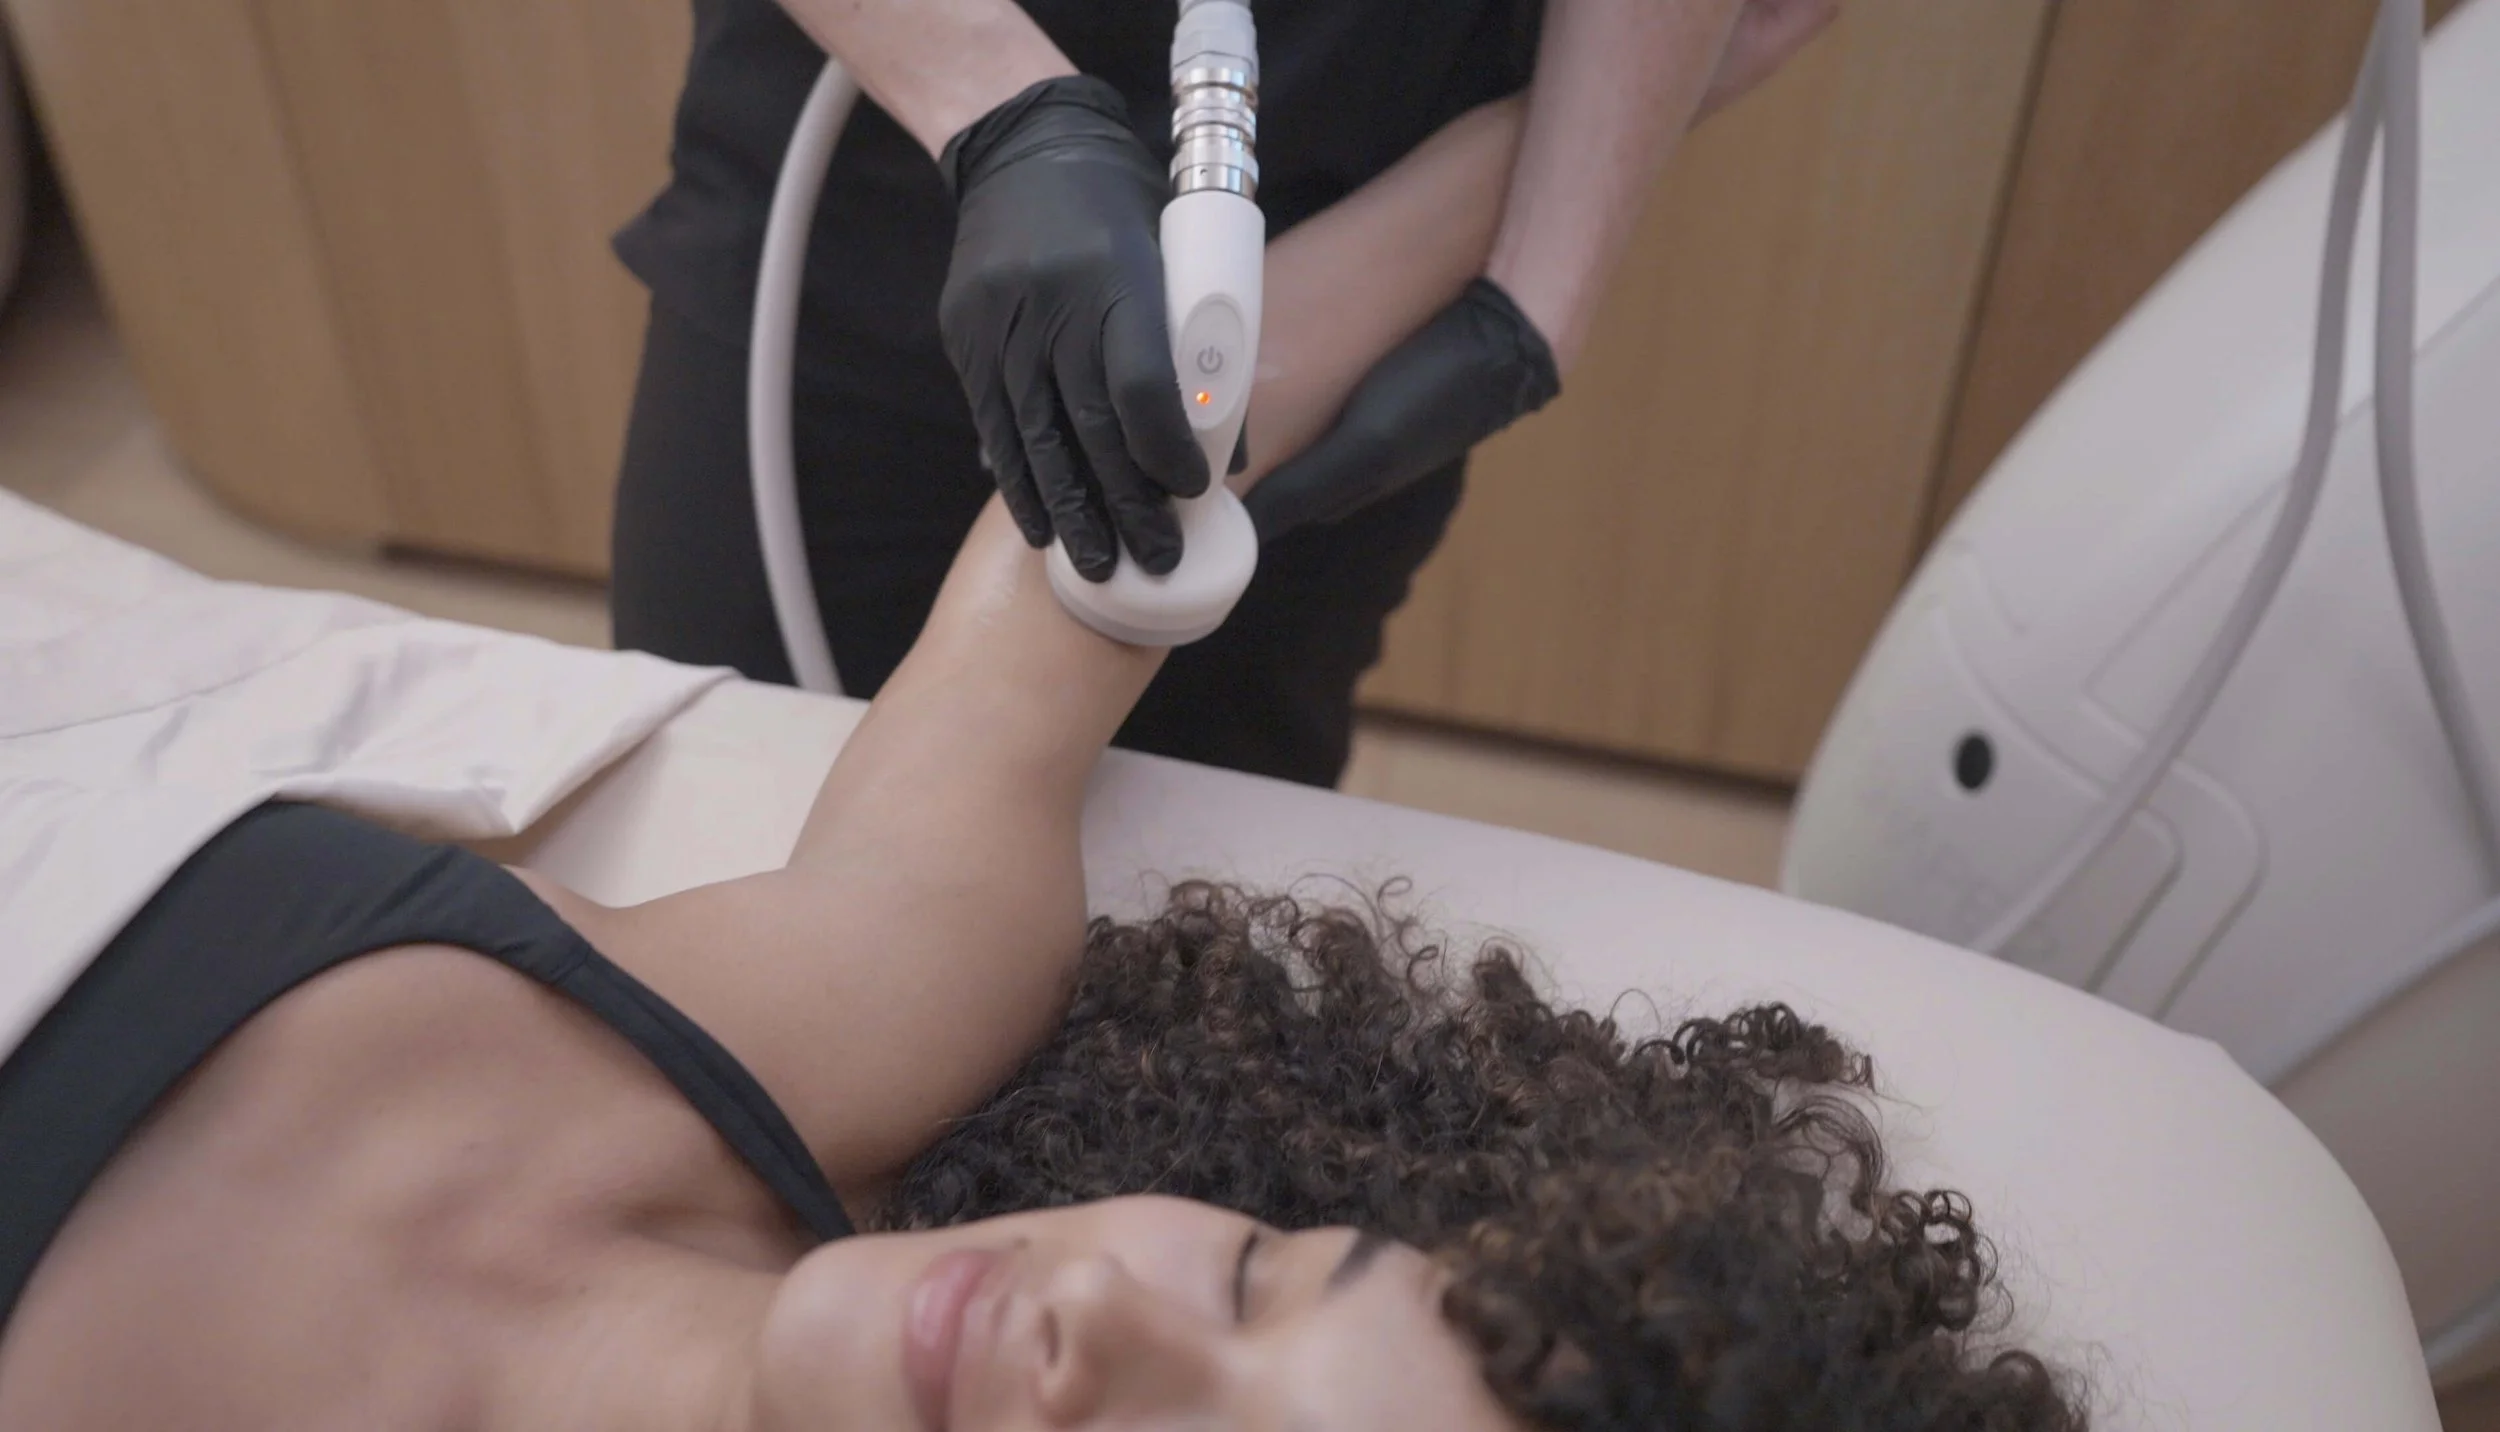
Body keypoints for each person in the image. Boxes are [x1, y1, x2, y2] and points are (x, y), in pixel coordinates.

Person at [0, 72, 2085, 1427]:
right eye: (1261, 1272)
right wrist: (1571, 161)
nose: (1109, 1320)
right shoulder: (862, 1002)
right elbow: (1130, 489)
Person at [608, 0, 1840, 788]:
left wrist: (1543, 274)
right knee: (724, 785)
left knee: (1198, 912)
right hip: (871, 141)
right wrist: (993, 105)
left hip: (1373, 118)